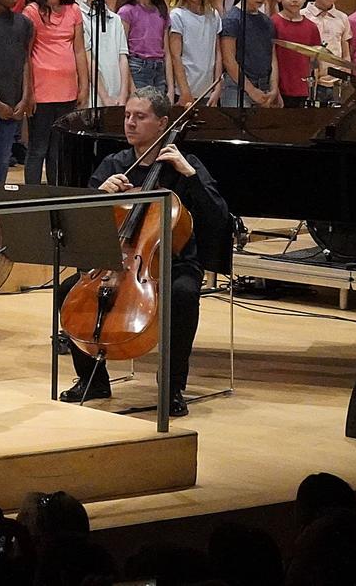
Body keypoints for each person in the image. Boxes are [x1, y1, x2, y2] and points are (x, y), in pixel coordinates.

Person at [58, 89, 231, 417]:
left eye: (140, 117)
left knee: (182, 295)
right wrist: (99, 195)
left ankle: (172, 386)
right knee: (67, 292)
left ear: (163, 123)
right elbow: (84, 222)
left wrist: (190, 176)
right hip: (118, 262)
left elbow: (218, 216)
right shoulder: (116, 164)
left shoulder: (185, 166)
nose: (130, 123)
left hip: (173, 263)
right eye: (127, 116)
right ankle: (93, 380)